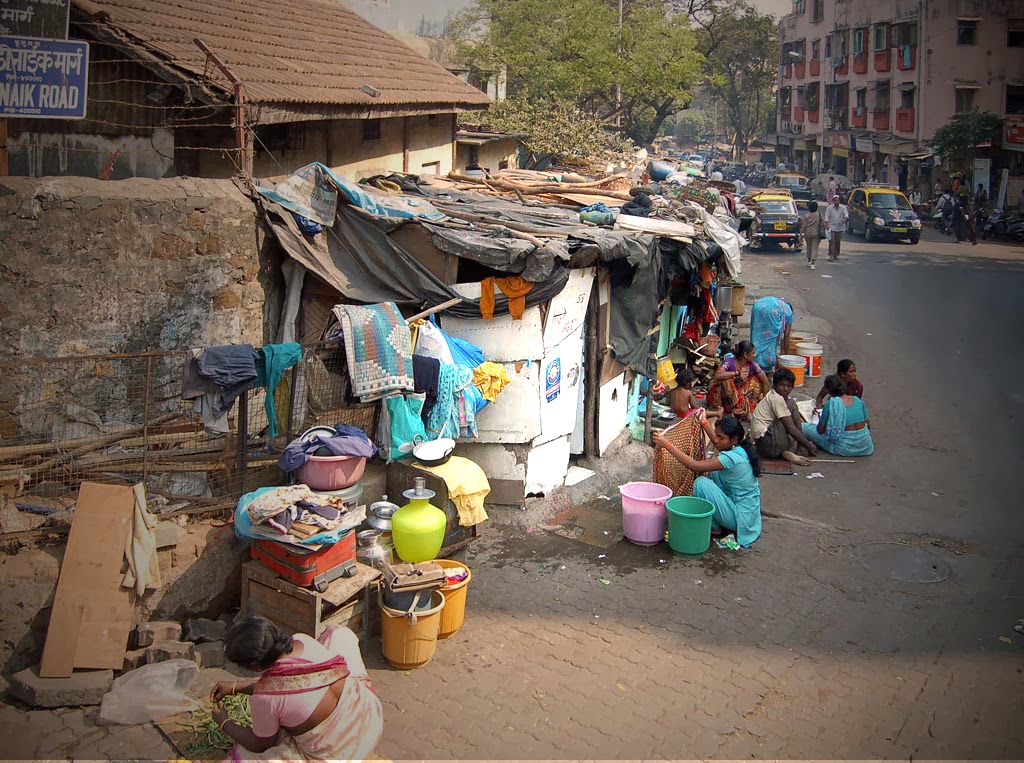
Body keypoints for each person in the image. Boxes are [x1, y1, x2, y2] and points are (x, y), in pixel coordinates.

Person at [213, 617, 383, 762]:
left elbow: (260, 744)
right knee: (338, 634)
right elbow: (288, 681)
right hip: (369, 716)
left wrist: (224, 722)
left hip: (342, 754)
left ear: (254, 667)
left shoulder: (264, 698)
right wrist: (236, 687)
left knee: (241, 756)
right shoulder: (302, 640)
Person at [653, 416, 762, 546]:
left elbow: (694, 466)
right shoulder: (739, 448)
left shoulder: (732, 458)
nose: (716, 440)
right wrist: (704, 423)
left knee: (701, 483)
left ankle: (714, 527)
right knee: (712, 471)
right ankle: (719, 523)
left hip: (740, 519)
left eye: (720, 437)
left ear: (734, 439)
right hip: (747, 514)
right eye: (716, 435)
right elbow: (719, 444)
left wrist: (667, 444)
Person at [751, 368, 818, 466]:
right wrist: (809, 445)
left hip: (763, 446)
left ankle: (789, 449)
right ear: (775, 385)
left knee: (790, 406)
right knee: (791, 406)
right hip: (767, 443)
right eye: (782, 385)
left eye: (789, 386)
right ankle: (795, 447)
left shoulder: (774, 396)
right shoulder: (776, 398)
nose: (786, 389)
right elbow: (791, 428)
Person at [802, 375, 874, 457]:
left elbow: (820, 430)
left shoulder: (831, 404)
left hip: (843, 448)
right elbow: (868, 426)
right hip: (865, 446)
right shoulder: (857, 400)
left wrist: (822, 419)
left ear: (829, 390)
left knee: (804, 427)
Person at [707, 340, 770, 421]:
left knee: (755, 381)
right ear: (745, 355)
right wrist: (736, 373)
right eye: (753, 353)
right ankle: (732, 410)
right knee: (726, 381)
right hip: (724, 399)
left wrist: (763, 405)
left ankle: (745, 408)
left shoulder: (753, 365)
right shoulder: (729, 362)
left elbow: (766, 383)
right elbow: (717, 375)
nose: (754, 355)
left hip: (739, 395)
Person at [749, 296, 794, 371]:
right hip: (772, 311)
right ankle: (767, 364)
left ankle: (753, 359)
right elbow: (786, 335)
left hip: (757, 306)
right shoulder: (789, 312)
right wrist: (786, 356)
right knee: (770, 339)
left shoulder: (781, 305)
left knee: (757, 334)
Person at [823, 195, 849, 260]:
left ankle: (836, 254)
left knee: (838, 241)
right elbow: (826, 218)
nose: (836, 202)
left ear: (839, 201)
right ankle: (831, 255)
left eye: (837, 201)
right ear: (833, 201)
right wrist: (827, 226)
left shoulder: (843, 207)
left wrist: (844, 220)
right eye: (835, 201)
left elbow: (846, 215)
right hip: (832, 227)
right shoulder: (829, 208)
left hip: (840, 227)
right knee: (832, 241)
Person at [800, 200, 824, 270]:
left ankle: (809, 261)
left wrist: (801, 234)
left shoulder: (806, 216)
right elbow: (823, 223)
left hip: (808, 233)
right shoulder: (819, 215)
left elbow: (803, 226)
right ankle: (813, 263)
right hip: (816, 233)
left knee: (809, 247)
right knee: (815, 248)